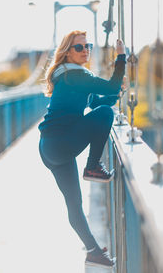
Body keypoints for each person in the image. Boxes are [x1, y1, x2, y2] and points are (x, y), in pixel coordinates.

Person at [38, 30, 126, 268]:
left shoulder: (67, 77)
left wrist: (117, 91)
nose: (86, 50)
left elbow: (98, 101)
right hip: (61, 144)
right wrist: (121, 58)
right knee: (106, 115)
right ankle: (93, 166)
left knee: (74, 204)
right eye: (79, 47)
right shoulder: (75, 75)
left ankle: (93, 252)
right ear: (67, 53)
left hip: (50, 148)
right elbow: (109, 91)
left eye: (88, 45)